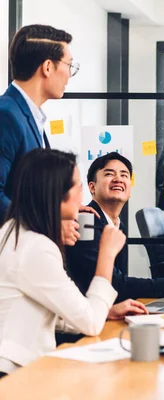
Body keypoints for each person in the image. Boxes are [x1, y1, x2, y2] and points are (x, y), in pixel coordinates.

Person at [0, 149, 125, 377]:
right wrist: (106, 254)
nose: (82, 195)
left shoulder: (12, 232)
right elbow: (91, 324)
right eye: (78, 187)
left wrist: (103, 311)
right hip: (15, 374)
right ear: (58, 194)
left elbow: (39, 309)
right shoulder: (36, 248)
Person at [66, 152, 164, 309]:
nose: (118, 179)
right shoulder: (86, 222)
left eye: (124, 175)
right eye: (109, 174)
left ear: (129, 190)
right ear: (92, 187)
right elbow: (113, 283)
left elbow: (119, 283)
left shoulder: (116, 226)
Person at [0, 24, 92, 245]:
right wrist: (46, 223)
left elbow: (31, 190)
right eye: (69, 65)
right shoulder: (7, 116)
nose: (70, 74)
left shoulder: (29, 116)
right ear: (48, 67)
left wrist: (61, 205)